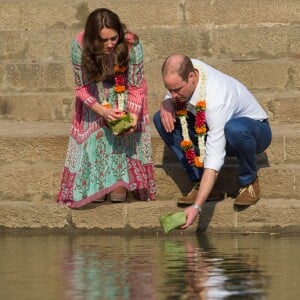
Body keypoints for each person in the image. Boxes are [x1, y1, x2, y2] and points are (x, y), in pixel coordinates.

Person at [153, 54, 271, 228]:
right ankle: (201, 182)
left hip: (254, 131)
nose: (173, 94)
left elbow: (214, 161)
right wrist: (167, 102)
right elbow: (172, 92)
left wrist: (197, 207)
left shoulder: (217, 99)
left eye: (177, 90)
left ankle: (249, 181)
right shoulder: (190, 67)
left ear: (192, 77)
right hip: (213, 126)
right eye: (169, 89)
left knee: (235, 129)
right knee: (160, 119)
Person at [57, 8, 156, 208]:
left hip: (125, 89)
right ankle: (97, 183)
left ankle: (119, 184)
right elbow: (81, 88)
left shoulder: (131, 44)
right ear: (93, 39)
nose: (110, 44)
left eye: (113, 38)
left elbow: (136, 85)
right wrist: (103, 111)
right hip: (94, 91)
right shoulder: (79, 46)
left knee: (124, 127)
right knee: (98, 129)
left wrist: (132, 117)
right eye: (103, 40)